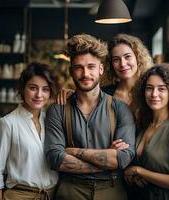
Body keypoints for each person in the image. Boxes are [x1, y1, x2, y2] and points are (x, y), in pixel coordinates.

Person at [44, 33, 136, 200]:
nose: (85, 73)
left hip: (112, 190)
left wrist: (73, 151)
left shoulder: (120, 108)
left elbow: (123, 157)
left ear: (101, 69)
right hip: (70, 191)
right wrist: (108, 161)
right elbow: (55, 158)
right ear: (71, 71)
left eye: (91, 66)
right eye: (79, 67)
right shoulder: (57, 109)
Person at [0, 62, 59, 200]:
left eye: (45, 89)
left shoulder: (51, 120)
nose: (39, 94)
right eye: (33, 88)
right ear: (22, 88)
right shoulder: (7, 123)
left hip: (51, 195)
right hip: (19, 196)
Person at [124, 63, 169, 200]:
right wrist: (130, 174)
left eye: (161, 89)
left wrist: (139, 171)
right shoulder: (143, 125)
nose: (154, 94)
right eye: (149, 88)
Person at [57, 33, 153, 110]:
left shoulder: (151, 90)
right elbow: (86, 99)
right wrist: (72, 96)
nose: (123, 64)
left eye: (127, 57)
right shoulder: (105, 93)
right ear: (110, 64)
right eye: (116, 59)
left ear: (138, 58)